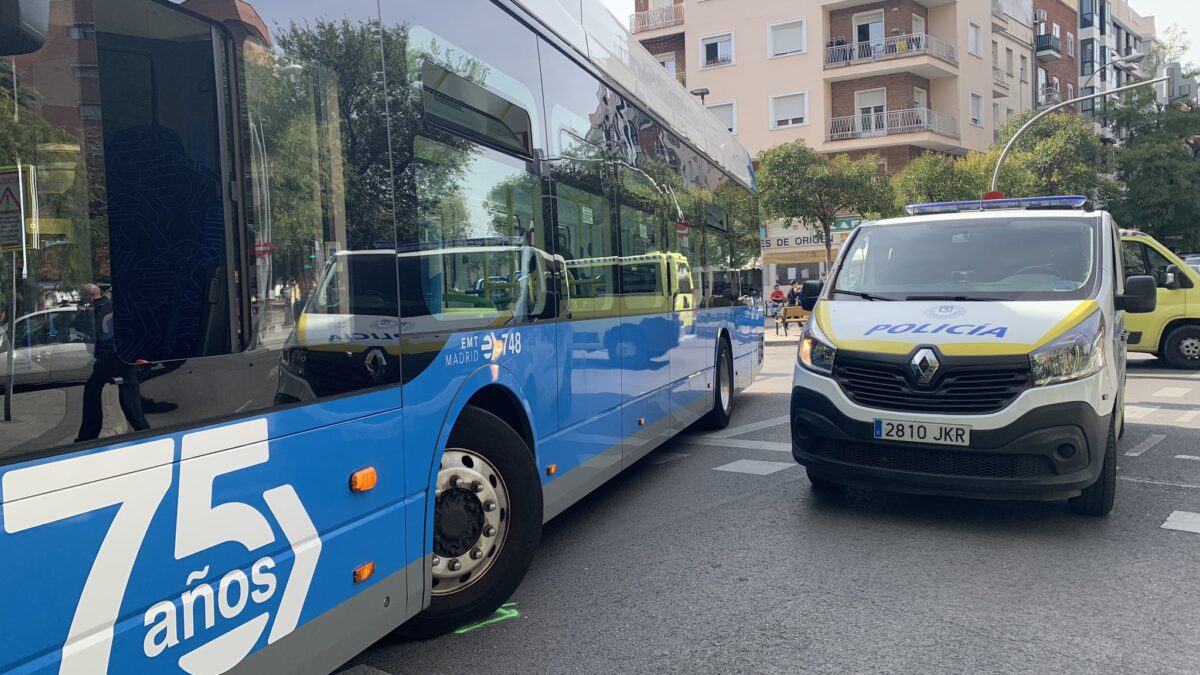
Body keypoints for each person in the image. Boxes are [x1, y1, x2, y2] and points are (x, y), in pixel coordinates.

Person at [75, 283, 150, 442]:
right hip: (124, 356)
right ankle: (145, 432)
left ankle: (87, 436)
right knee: (129, 399)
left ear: (89, 296)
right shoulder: (113, 307)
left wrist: (81, 314)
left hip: (107, 358)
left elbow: (84, 329)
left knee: (92, 391)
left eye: (83, 294)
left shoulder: (94, 310)